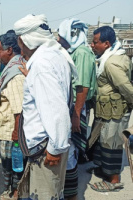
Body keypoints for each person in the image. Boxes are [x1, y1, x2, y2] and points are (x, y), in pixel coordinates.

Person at [14, 14, 77, 199]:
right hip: (49, 145)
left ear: (23, 40)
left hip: (46, 149)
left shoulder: (41, 64)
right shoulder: (54, 55)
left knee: (46, 195)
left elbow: (56, 110)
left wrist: (55, 149)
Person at [89, 26, 133, 191]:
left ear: (106, 43)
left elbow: (125, 87)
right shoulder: (112, 57)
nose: (92, 45)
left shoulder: (112, 63)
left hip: (116, 111)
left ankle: (113, 180)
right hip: (108, 110)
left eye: (95, 42)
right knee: (104, 141)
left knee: (111, 143)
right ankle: (104, 171)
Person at [57, 18, 97, 200]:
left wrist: (75, 115)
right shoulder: (77, 51)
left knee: (71, 149)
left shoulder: (81, 53)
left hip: (76, 107)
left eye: (61, 36)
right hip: (75, 106)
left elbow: (82, 87)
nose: (59, 40)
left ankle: (71, 194)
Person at [0, 30, 26, 200]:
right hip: (9, 126)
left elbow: (19, 108)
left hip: (11, 129)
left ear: (9, 50)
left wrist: (16, 133)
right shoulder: (13, 68)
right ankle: (13, 191)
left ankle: (16, 193)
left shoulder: (15, 74)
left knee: (13, 163)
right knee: (9, 163)